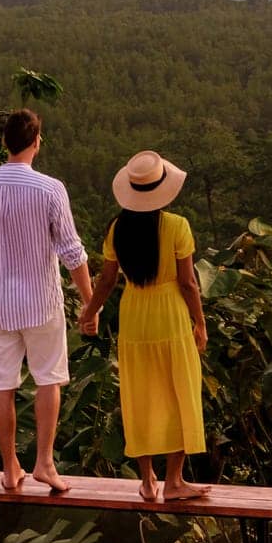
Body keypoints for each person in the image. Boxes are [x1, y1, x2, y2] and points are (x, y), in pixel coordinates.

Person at [0, 108, 93, 493]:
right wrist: (89, 302)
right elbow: (72, 252)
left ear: (5, 142)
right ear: (37, 141)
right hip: (41, 302)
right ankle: (45, 463)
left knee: (2, 384)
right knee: (48, 380)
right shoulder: (50, 189)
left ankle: (9, 467)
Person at [78, 149, 209, 502]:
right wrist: (200, 321)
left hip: (134, 315)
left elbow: (105, 281)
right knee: (178, 390)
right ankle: (175, 481)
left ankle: (148, 481)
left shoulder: (117, 229)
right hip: (169, 314)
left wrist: (89, 311)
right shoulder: (177, 226)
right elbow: (188, 283)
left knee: (139, 395)